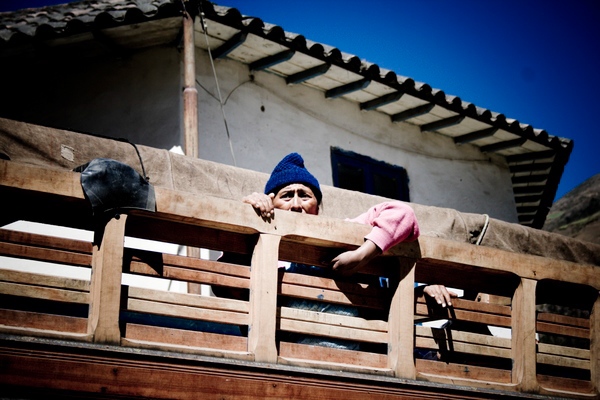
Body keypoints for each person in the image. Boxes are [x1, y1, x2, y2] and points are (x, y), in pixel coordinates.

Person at [242, 152, 457, 307]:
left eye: (305, 195)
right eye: (286, 196)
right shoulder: (263, 244)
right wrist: (248, 216)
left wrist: (360, 255)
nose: (296, 204)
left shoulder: (345, 232)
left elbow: (403, 213)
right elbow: (226, 287)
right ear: (272, 203)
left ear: (318, 206)